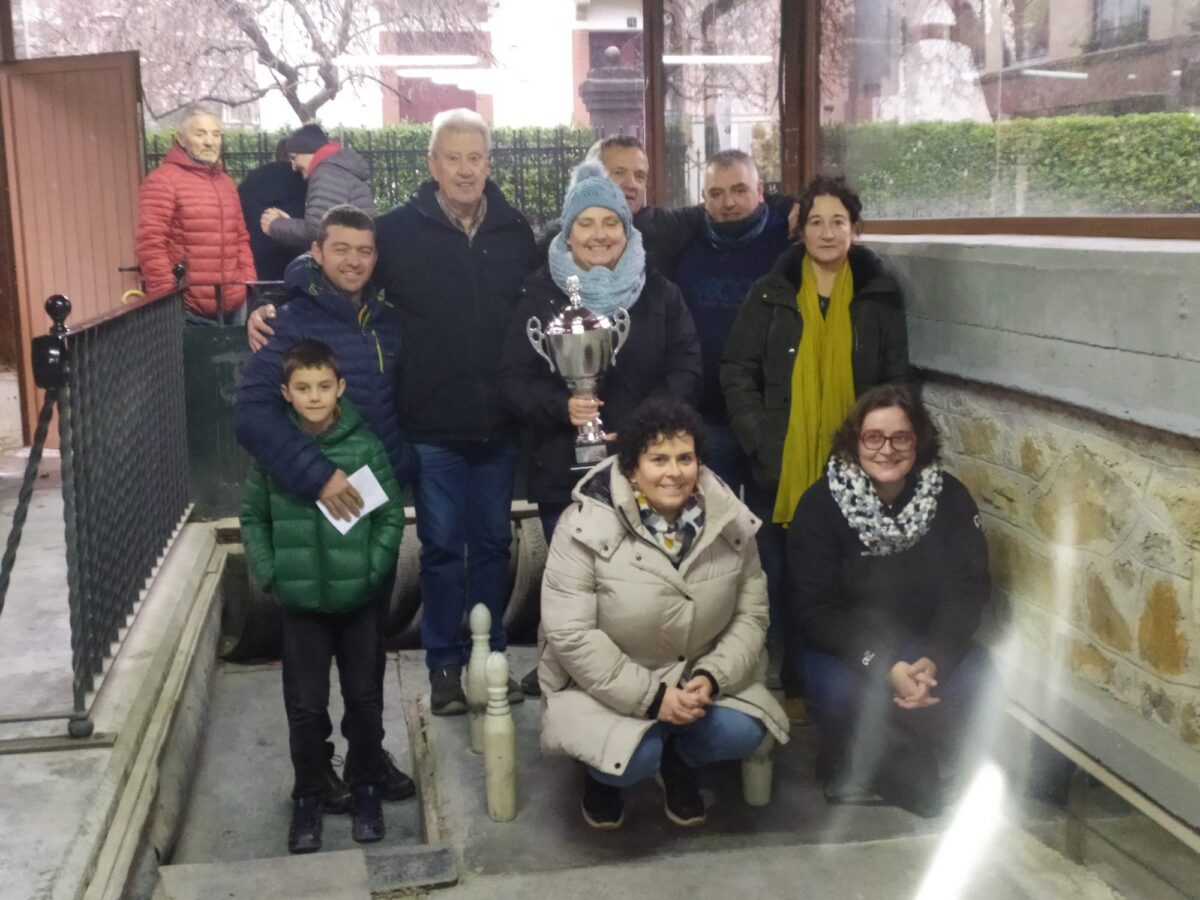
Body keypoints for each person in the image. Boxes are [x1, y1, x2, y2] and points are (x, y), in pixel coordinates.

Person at [234, 205, 416, 808]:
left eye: (364, 251)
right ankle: (314, 775)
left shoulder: (385, 320)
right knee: (308, 679)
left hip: (369, 512)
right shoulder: (289, 323)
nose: (353, 261)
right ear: (317, 252)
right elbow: (251, 414)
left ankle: (368, 759)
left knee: (367, 664)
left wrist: (396, 477)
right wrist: (318, 477)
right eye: (341, 249)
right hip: (309, 514)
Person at [538, 396, 789, 830]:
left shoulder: (731, 522)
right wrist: (654, 698)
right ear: (632, 469)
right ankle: (602, 779)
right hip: (603, 687)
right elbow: (571, 635)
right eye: (658, 459)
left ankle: (678, 761)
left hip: (695, 679)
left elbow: (751, 615)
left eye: (685, 458)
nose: (674, 471)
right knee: (635, 758)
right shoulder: (581, 527)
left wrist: (711, 677)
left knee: (743, 732)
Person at [502, 158, 703, 696]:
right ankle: (565, 672)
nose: (599, 234)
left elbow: (687, 367)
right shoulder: (539, 294)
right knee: (573, 583)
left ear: (627, 228)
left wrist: (646, 427)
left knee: (640, 583)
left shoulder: (659, 292)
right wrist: (560, 407)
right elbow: (513, 380)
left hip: (646, 470)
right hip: (563, 469)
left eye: (610, 222)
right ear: (568, 233)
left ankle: (641, 678)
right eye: (585, 223)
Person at [720, 173, 911, 707]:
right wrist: (761, 437)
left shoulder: (878, 296)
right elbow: (737, 369)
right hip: (781, 467)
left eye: (838, 222)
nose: (827, 233)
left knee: (841, 576)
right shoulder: (770, 294)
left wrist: (880, 448)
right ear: (799, 230)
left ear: (855, 229)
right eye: (816, 222)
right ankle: (782, 680)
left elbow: (896, 379)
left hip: (856, 469)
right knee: (779, 575)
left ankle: (830, 682)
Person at [375, 108, 534, 714]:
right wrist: (282, 297)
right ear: (432, 165)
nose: (465, 170)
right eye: (453, 158)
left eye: (475, 157)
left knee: (493, 546)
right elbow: (338, 267)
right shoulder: (395, 232)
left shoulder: (516, 232)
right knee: (441, 548)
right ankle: (443, 665)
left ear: (488, 164)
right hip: (431, 426)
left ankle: (489, 661)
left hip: (498, 426)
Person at [788, 384, 996, 818]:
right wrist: (884, 665)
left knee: (979, 679)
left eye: (901, 438)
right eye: (873, 438)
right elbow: (816, 612)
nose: (887, 450)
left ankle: (909, 748)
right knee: (845, 694)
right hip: (848, 647)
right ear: (855, 442)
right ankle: (855, 755)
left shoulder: (950, 499)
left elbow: (968, 589)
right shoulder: (819, 506)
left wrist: (935, 658)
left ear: (918, 442)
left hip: (924, 643)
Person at [240, 339, 404, 853]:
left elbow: (390, 516)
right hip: (301, 608)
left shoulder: (365, 448)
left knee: (365, 699)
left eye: (324, 386)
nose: (314, 396)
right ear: (285, 393)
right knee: (306, 709)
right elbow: (253, 516)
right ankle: (310, 794)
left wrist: (372, 572)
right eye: (303, 388)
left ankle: (366, 785)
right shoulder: (275, 454)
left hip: (359, 604)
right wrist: (272, 573)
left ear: (341, 388)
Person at [135, 106, 256, 323]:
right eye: (200, 134)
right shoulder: (162, 180)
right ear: (180, 139)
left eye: (216, 134)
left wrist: (247, 282)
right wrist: (169, 298)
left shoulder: (226, 183)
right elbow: (150, 244)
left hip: (235, 305)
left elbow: (240, 237)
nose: (210, 141)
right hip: (189, 310)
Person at [261, 124, 377, 252]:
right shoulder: (335, 168)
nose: (293, 167)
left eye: (294, 158)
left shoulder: (326, 172)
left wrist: (276, 224)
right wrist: (288, 222)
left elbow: (318, 231)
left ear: (308, 151)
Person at [238, 139, 307, 288]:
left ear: (275, 155)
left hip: (259, 259)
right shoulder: (306, 182)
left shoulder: (252, 180)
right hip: (297, 260)